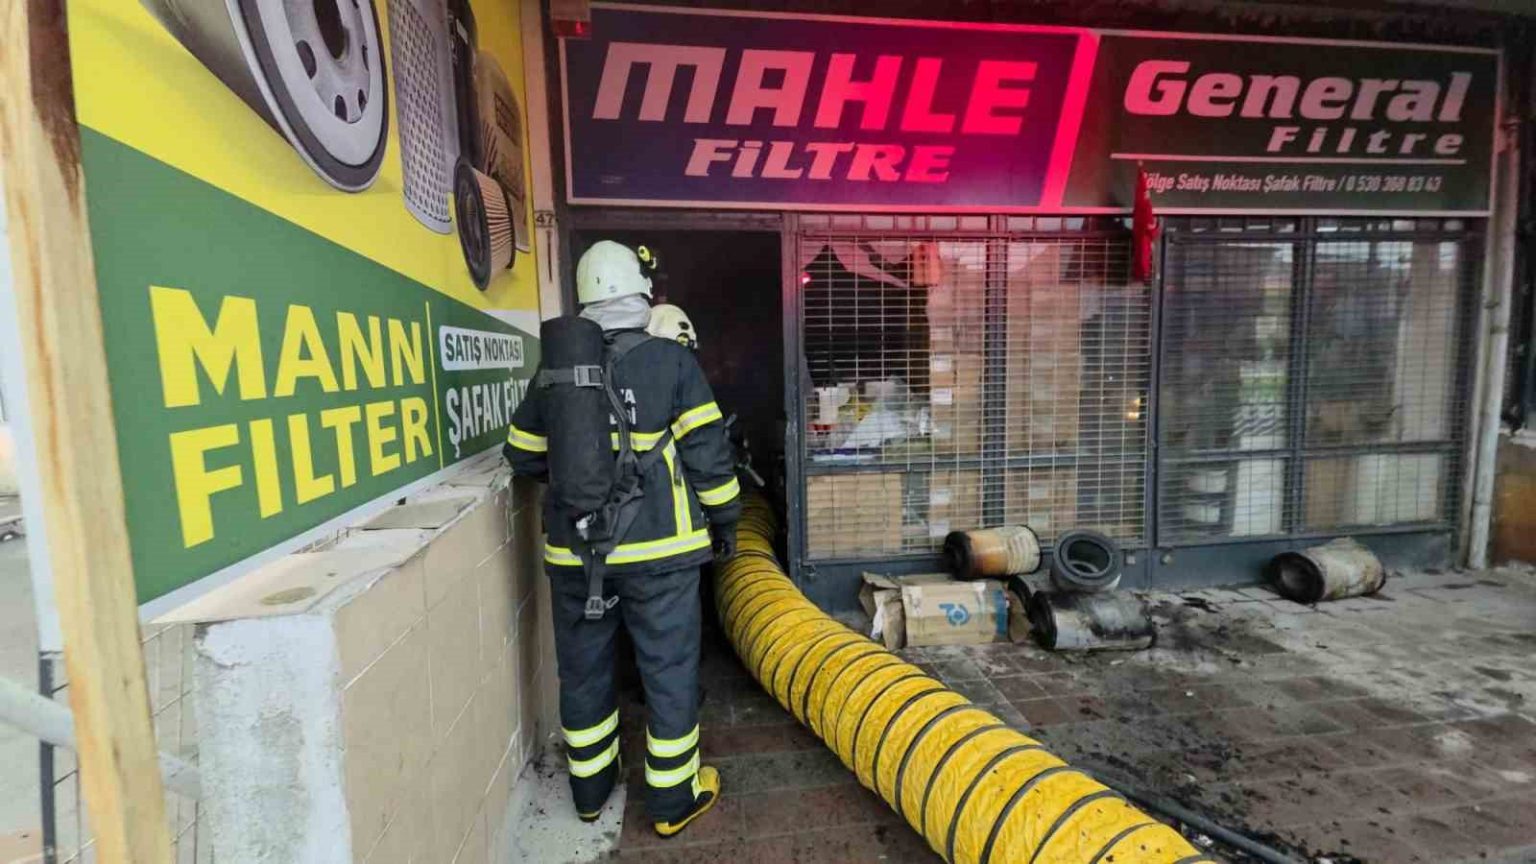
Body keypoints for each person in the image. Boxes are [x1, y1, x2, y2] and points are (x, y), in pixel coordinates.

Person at [503, 240, 739, 837]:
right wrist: (726, 520)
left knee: (584, 670)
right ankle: (672, 798)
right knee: (669, 669)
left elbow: (522, 455)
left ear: (584, 299)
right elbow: (710, 458)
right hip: (662, 555)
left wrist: (579, 480)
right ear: (641, 293)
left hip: (575, 557)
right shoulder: (672, 362)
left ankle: (590, 792)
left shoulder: (555, 371)